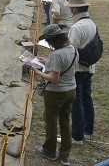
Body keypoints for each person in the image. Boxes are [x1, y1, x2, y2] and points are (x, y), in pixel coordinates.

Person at [32, 24, 77, 166]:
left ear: (52, 41)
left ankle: (49, 151)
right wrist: (47, 61)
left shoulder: (56, 54)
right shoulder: (73, 49)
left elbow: (54, 78)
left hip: (56, 93)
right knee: (65, 122)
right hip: (71, 90)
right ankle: (65, 155)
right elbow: (64, 66)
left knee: (51, 121)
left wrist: (37, 71)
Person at [66, 0, 97, 144]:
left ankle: (76, 136)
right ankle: (87, 131)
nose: (71, 11)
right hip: (89, 67)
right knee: (86, 99)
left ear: (76, 9)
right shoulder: (91, 23)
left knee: (76, 102)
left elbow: (70, 52)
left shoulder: (76, 27)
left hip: (78, 69)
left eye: (71, 8)